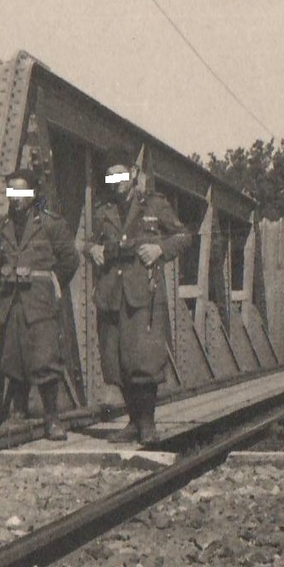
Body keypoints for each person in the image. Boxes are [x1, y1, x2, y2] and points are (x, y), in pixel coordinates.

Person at [86, 161, 192, 443]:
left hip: (143, 291)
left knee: (143, 359)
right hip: (112, 292)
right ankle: (133, 423)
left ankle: (147, 424)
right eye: (110, 177)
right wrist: (91, 248)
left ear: (132, 174)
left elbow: (183, 236)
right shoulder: (103, 209)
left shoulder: (154, 205)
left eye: (120, 175)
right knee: (118, 360)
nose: (116, 182)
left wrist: (160, 248)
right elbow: (86, 241)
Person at [0, 169, 80, 440]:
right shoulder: (2, 225)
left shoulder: (51, 224)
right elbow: (0, 257)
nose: (16, 198)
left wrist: (52, 281)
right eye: (12, 192)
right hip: (13, 301)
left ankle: (51, 417)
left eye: (22, 192)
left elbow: (70, 259)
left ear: (33, 194)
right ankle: (19, 414)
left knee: (45, 359)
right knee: (13, 359)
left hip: (39, 301)